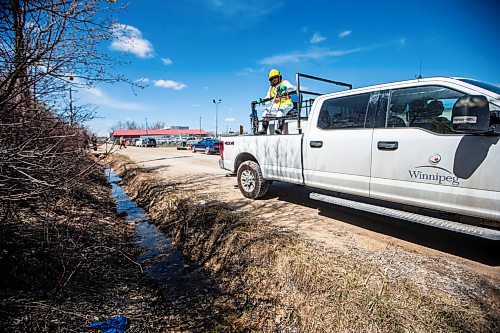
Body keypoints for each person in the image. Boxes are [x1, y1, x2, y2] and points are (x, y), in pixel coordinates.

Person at [257, 69, 296, 135]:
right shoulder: (271, 88)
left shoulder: (284, 83)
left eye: (275, 77)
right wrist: (262, 100)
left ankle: (279, 129)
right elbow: (268, 98)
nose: (274, 79)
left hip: (286, 104)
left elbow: (292, 88)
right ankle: (264, 130)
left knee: (280, 113)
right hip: (276, 105)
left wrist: (284, 88)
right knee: (265, 113)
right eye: (272, 78)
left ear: (279, 77)